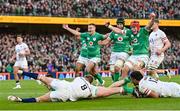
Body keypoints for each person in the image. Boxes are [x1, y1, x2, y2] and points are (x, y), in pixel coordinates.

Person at [8, 70, 124, 103]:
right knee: (40, 99)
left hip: (65, 85)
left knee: (42, 77)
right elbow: (103, 93)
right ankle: (21, 100)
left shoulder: (79, 78)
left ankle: (23, 73)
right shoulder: (92, 88)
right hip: (67, 94)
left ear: (86, 77)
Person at [105, 13, 156, 78]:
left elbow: (149, 25)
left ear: (138, 27)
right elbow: (119, 31)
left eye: (134, 27)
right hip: (133, 55)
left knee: (136, 69)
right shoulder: (129, 32)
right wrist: (109, 26)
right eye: (131, 27)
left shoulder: (143, 31)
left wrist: (153, 18)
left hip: (143, 55)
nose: (132, 29)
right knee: (124, 69)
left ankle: (144, 82)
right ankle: (123, 87)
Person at [99, 17, 130, 82]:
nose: (119, 25)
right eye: (118, 24)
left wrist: (131, 49)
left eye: (120, 24)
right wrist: (100, 42)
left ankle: (116, 84)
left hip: (124, 52)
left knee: (117, 67)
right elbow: (107, 41)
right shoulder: (113, 33)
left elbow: (133, 41)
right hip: (114, 52)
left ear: (123, 24)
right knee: (112, 70)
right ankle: (116, 81)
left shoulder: (127, 31)